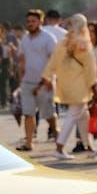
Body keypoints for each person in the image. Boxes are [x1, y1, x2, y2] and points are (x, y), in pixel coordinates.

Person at [39, 15, 97, 160]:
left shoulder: (62, 43)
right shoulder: (84, 43)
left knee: (83, 117)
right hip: (80, 87)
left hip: (65, 84)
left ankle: (89, 147)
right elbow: (90, 68)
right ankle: (59, 148)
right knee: (73, 116)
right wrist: (94, 88)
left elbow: (52, 62)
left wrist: (45, 77)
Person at [16, 10, 57, 152]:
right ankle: (28, 142)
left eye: (33, 21)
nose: (30, 24)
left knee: (49, 115)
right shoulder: (25, 39)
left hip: (44, 82)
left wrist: (49, 79)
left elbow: (53, 60)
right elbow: (21, 59)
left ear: (41, 22)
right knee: (28, 113)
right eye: (28, 21)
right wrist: (21, 78)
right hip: (27, 82)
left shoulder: (48, 38)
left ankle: (58, 140)